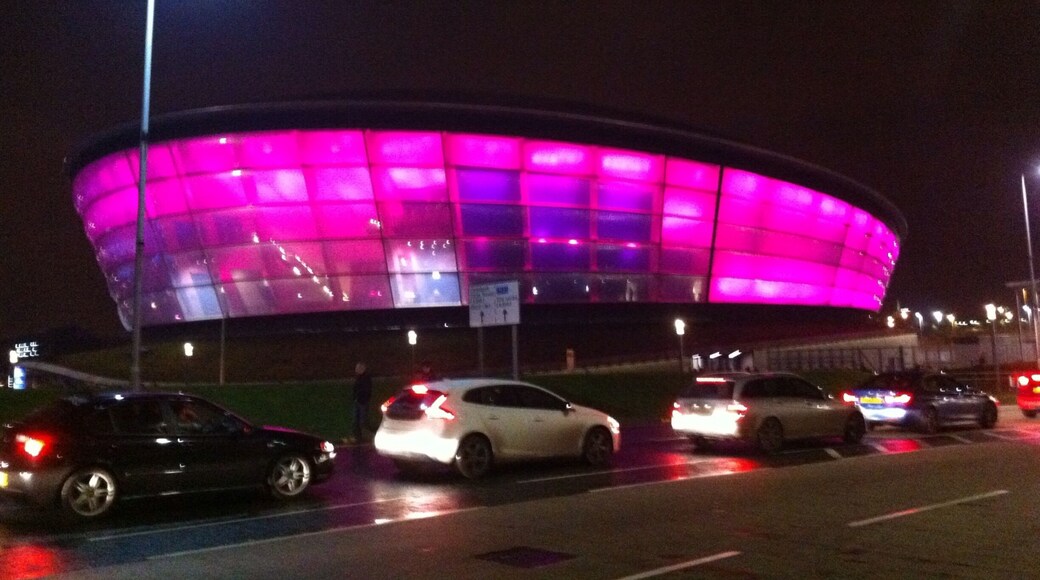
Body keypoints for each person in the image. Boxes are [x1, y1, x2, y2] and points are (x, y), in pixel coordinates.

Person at [351, 362, 373, 443]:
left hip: (362, 401)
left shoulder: (365, 378)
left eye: (357, 369)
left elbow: (366, 390)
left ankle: (363, 437)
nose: (356, 370)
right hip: (358, 401)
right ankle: (358, 436)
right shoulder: (359, 378)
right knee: (355, 420)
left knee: (361, 421)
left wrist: (363, 399)